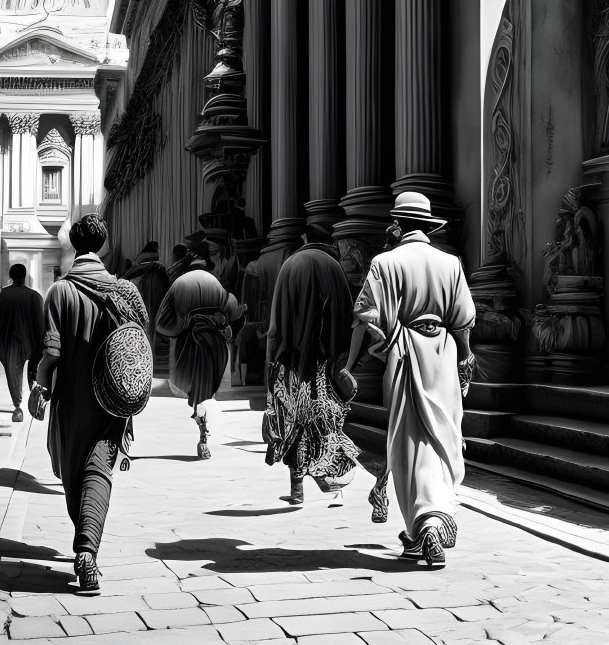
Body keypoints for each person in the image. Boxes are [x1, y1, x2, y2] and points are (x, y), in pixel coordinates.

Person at [345, 192, 476, 568]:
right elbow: (464, 320)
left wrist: (382, 345)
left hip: (405, 353)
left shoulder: (385, 262)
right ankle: (426, 527)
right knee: (442, 437)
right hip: (444, 356)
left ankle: (427, 525)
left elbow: (366, 315)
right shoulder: (450, 263)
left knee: (409, 441)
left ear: (399, 224)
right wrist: (464, 354)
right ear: (429, 226)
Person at [33, 215, 147, 593]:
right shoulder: (125, 290)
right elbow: (138, 340)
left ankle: (84, 545)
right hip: (112, 402)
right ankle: (87, 551)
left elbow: (51, 353)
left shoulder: (60, 292)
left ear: (73, 243)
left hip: (70, 401)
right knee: (99, 470)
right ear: (103, 244)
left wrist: (40, 387)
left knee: (73, 474)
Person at [263, 227, 359, 506]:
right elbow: (347, 319)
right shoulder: (336, 267)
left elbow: (274, 329)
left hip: (290, 362)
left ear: (304, 239)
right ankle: (328, 477)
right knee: (326, 421)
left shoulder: (290, 265)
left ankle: (297, 489)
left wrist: (269, 369)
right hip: (326, 365)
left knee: (293, 423)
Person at [155, 247, 242, 458]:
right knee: (206, 393)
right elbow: (233, 311)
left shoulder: (179, 284)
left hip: (189, 346)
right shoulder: (215, 283)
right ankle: (204, 431)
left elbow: (161, 323)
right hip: (214, 345)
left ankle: (202, 430)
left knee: (196, 392)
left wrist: (182, 326)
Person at [0, 263, 44, 423]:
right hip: (31, 342)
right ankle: (35, 403)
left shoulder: (5, 294)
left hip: (11, 342)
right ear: (24, 276)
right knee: (33, 374)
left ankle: (18, 407)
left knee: (13, 374)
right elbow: (40, 323)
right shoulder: (35, 296)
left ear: (11, 276)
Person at [124, 241, 171, 375]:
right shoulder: (160, 272)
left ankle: (145, 361)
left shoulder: (137, 272)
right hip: (158, 296)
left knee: (146, 327)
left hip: (144, 296)